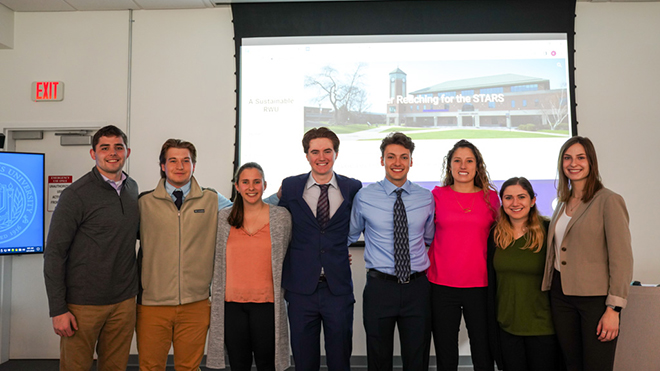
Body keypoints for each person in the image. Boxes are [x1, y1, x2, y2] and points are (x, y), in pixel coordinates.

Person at [44, 125, 139, 371]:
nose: (112, 153)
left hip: (124, 302)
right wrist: (58, 309)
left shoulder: (132, 189)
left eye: (118, 147)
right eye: (104, 147)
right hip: (81, 305)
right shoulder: (75, 195)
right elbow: (54, 253)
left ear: (127, 152)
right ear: (93, 153)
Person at [541, 136, 633, 371]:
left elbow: (621, 259)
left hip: (596, 301)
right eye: (568, 158)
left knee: (596, 366)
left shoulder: (608, 201)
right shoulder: (562, 203)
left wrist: (613, 309)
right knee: (572, 365)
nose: (574, 163)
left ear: (591, 162)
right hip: (561, 296)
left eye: (581, 157)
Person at [136, 139, 229, 371]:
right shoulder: (143, 202)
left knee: (189, 368)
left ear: (194, 165)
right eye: (173, 161)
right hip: (151, 305)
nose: (180, 166)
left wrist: (280, 196)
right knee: (150, 367)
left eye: (185, 161)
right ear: (162, 166)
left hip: (195, 304)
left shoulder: (212, 199)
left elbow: (247, 210)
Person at [348, 132, 435, 371]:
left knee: (417, 358)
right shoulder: (364, 197)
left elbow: (429, 237)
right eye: (391, 157)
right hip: (380, 288)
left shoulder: (425, 198)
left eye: (404, 157)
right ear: (382, 160)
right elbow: (349, 235)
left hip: (417, 288)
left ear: (411, 161)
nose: (397, 163)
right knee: (378, 357)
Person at [278, 127, 362, 371]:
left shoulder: (352, 187)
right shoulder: (291, 186)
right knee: (304, 361)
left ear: (336, 153)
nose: (321, 157)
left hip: (338, 290)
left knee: (340, 360)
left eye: (327, 151)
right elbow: (277, 221)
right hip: (301, 290)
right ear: (307, 155)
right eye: (315, 151)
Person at [206, 162, 292, 371]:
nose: (251, 187)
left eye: (256, 182)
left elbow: (294, 253)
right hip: (231, 305)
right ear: (237, 186)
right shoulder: (223, 219)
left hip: (267, 305)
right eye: (245, 182)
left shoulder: (281, 217)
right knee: (238, 364)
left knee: (266, 364)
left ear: (264, 185)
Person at [427, 139, 499, 371]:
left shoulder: (492, 198)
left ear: (478, 166)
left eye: (469, 160)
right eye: (457, 160)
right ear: (449, 166)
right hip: (441, 285)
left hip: (480, 285)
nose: (463, 165)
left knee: (483, 349)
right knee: (446, 351)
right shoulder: (436, 196)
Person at [486, 177, 561, 371]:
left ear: (533, 200)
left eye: (521, 197)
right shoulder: (495, 234)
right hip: (507, 326)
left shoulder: (549, 231)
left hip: (543, 326)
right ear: (502, 201)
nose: (515, 203)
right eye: (509, 197)